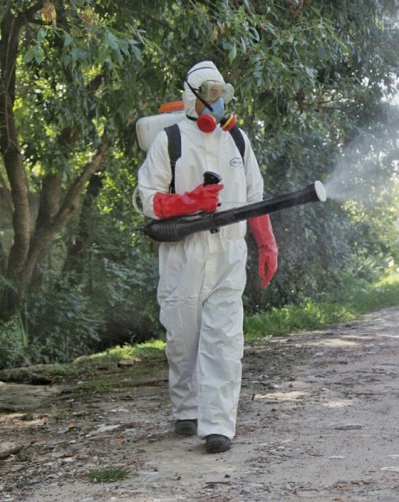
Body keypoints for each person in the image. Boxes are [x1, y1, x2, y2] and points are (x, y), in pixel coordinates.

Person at [137, 61, 278, 454]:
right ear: (193, 96)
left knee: (224, 339)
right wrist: (189, 201)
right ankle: (187, 408)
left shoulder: (238, 141)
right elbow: (147, 200)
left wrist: (267, 244)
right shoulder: (171, 141)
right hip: (184, 253)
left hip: (230, 251)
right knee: (183, 337)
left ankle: (217, 425)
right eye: (211, 95)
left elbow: (255, 197)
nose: (218, 104)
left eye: (222, 95)